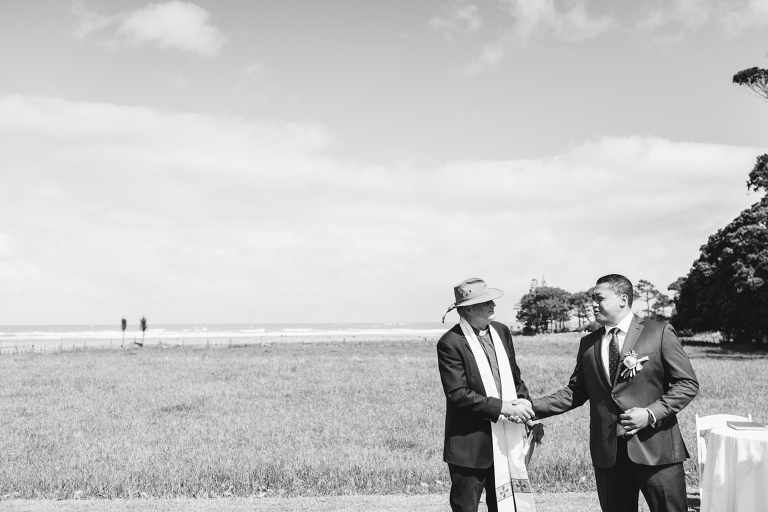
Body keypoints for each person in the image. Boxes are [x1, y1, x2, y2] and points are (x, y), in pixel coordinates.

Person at [532, 274, 699, 512]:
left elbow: (687, 383)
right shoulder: (588, 343)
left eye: (599, 298)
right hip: (608, 455)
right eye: (592, 298)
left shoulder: (659, 332)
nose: (592, 304)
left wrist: (650, 413)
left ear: (623, 299)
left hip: (657, 451)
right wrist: (530, 407)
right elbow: (576, 392)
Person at [437, 277, 543, 512]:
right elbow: (458, 395)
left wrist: (529, 414)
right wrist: (505, 408)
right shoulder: (450, 343)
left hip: (508, 440)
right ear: (467, 309)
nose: (492, 304)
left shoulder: (502, 331)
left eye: (491, 300)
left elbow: (515, 380)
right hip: (470, 446)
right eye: (485, 302)